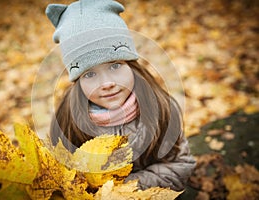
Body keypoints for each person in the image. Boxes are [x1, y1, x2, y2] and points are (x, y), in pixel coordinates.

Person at [45, 0, 195, 191]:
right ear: (77, 81)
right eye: (89, 74)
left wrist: (125, 188)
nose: (107, 83)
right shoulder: (66, 122)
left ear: (132, 65)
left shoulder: (159, 108)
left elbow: (180, 166)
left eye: (115, 66)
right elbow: (64, 179)